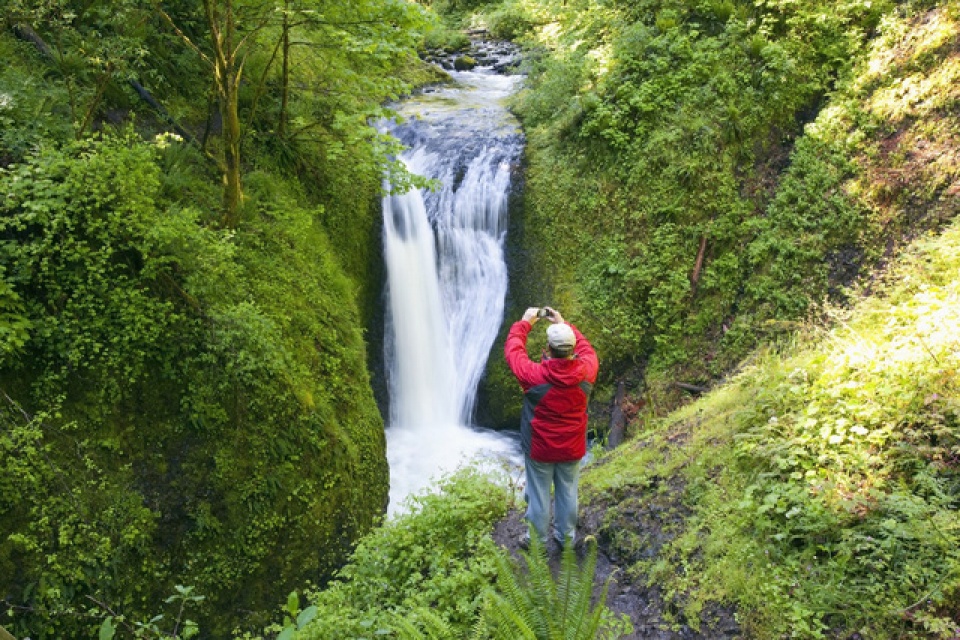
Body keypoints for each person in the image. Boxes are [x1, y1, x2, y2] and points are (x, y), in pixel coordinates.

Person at [504, 306, 598, 550]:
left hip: (540, 447)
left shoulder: (534, 376)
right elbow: (586, 349)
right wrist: (565, 323)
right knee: (568, 491)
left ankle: (537, 540)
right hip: (572, 446)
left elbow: (513, 352)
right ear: (571, 350)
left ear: (547, 349)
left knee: (538, 495)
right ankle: (566, 538)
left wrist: (524, 322)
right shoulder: (587, 372)